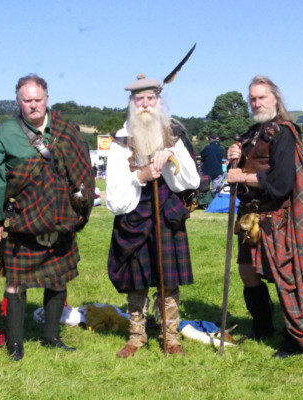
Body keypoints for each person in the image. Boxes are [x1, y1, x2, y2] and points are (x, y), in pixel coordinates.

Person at [0, 74, 94, 361]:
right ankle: (15, 344)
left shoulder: (66, 130)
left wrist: (81, 211)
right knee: (15, 282)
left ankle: (51, 336)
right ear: (18, 101)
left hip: (60, 220)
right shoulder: (5, 135)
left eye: (38, 99)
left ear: (47, 99)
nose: (33, 105)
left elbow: (83, 174)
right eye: (27, 100)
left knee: (58, 280)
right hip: (22, 222)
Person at [227, 75, 303, 358]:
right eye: (253, 99)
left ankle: (295, 339)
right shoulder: (251, 133)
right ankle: (261, 327)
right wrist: (235, 156)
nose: (257, 103)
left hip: (277, 218)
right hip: (250, 218)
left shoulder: (284, 133)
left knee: (288, 279)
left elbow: (282, 181)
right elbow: (243, 171)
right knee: (248, 274)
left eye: (262, 98)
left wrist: (242, 175)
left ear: (275, 99)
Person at [106, 74, 200, 358]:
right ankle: (136, 337)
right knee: (137, 281)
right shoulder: (121, 140)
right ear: (132, 103)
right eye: (139, 99)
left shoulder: (173, 134)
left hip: (166, 215)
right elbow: (113, 194)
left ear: (158, 101)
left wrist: (171, 155)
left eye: (150, 98)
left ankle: (170, 338)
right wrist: (141, 177)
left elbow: (191, 180)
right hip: (134, 216)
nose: (145, 104)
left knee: (167, 281)